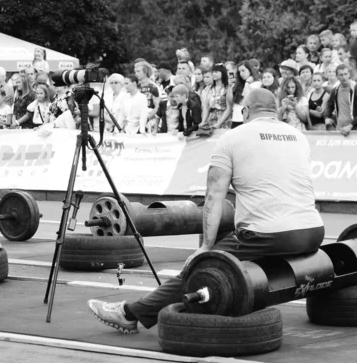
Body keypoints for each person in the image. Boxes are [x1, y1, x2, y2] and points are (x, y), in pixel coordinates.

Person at [87, 88, 325, 333]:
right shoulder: (298, 136)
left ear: (244, 111)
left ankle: (130, 314)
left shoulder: (232, 138)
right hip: (314, 232)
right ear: (274, 110)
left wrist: (206, 248)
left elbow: (214, 198)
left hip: (268, 235)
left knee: (200, 267)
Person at [323, 64, 357, 135]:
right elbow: (329, 105)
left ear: (349, 74)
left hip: (355, 129)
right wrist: (327, 117)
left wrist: (351, 125)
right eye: (341, 75)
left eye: (345, 74)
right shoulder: (335, 89)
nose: (344, 77)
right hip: (339, 128)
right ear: (337, 76)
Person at [230, 61, 261, 128]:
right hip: (235, 120)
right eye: (239, 72)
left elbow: (247, 101)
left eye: (243, 70)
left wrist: (247, 83)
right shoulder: (237, 85)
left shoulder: (256, 84)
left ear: (250, 70)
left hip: (247, 120)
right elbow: (231, 102)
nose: (241, 73)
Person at [202, 64, 232, 130]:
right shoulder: (209, 88)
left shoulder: (227, 88)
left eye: (216, 72)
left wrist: (219, 122)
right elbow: (206, 107)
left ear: (223, 73)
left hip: (224, 119)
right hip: (211, 119)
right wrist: (203, 121)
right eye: (213, 72)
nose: (214, 74)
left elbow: (229, 108)